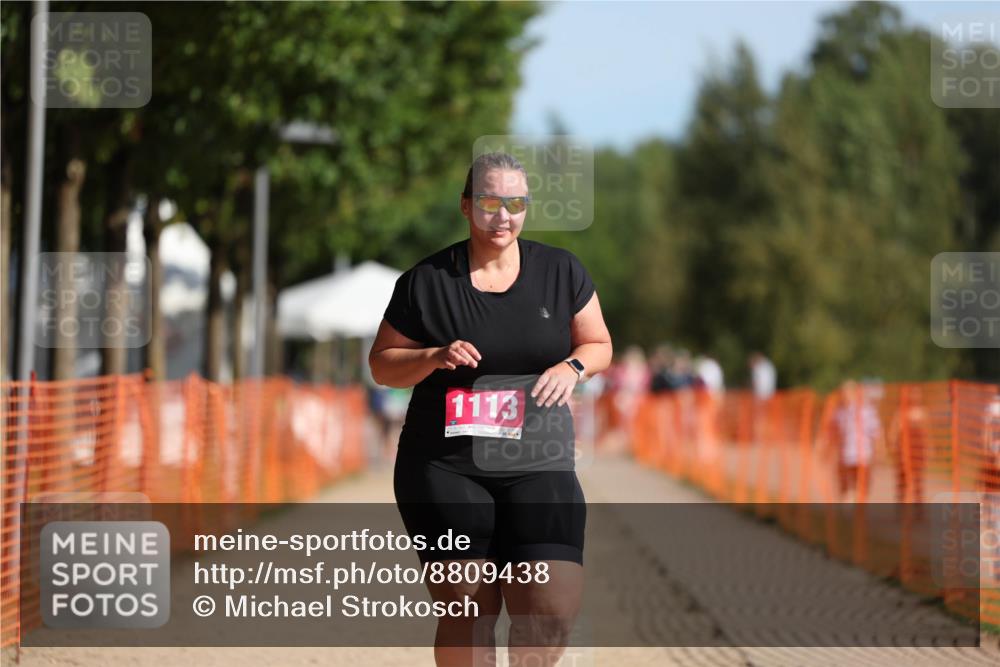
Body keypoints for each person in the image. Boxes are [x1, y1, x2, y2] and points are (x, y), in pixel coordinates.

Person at [368, 152, 613, 667]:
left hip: (539, 460)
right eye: (489, 202)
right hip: (447, 463)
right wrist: (434, 356)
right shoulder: (426, 282)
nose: (503, 215)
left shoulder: (560, 270)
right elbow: (383, 365)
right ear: (466, 207)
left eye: (515, 203)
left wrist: (571, 368)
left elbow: (598, 344)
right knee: (469, 601)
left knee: (550, 605)